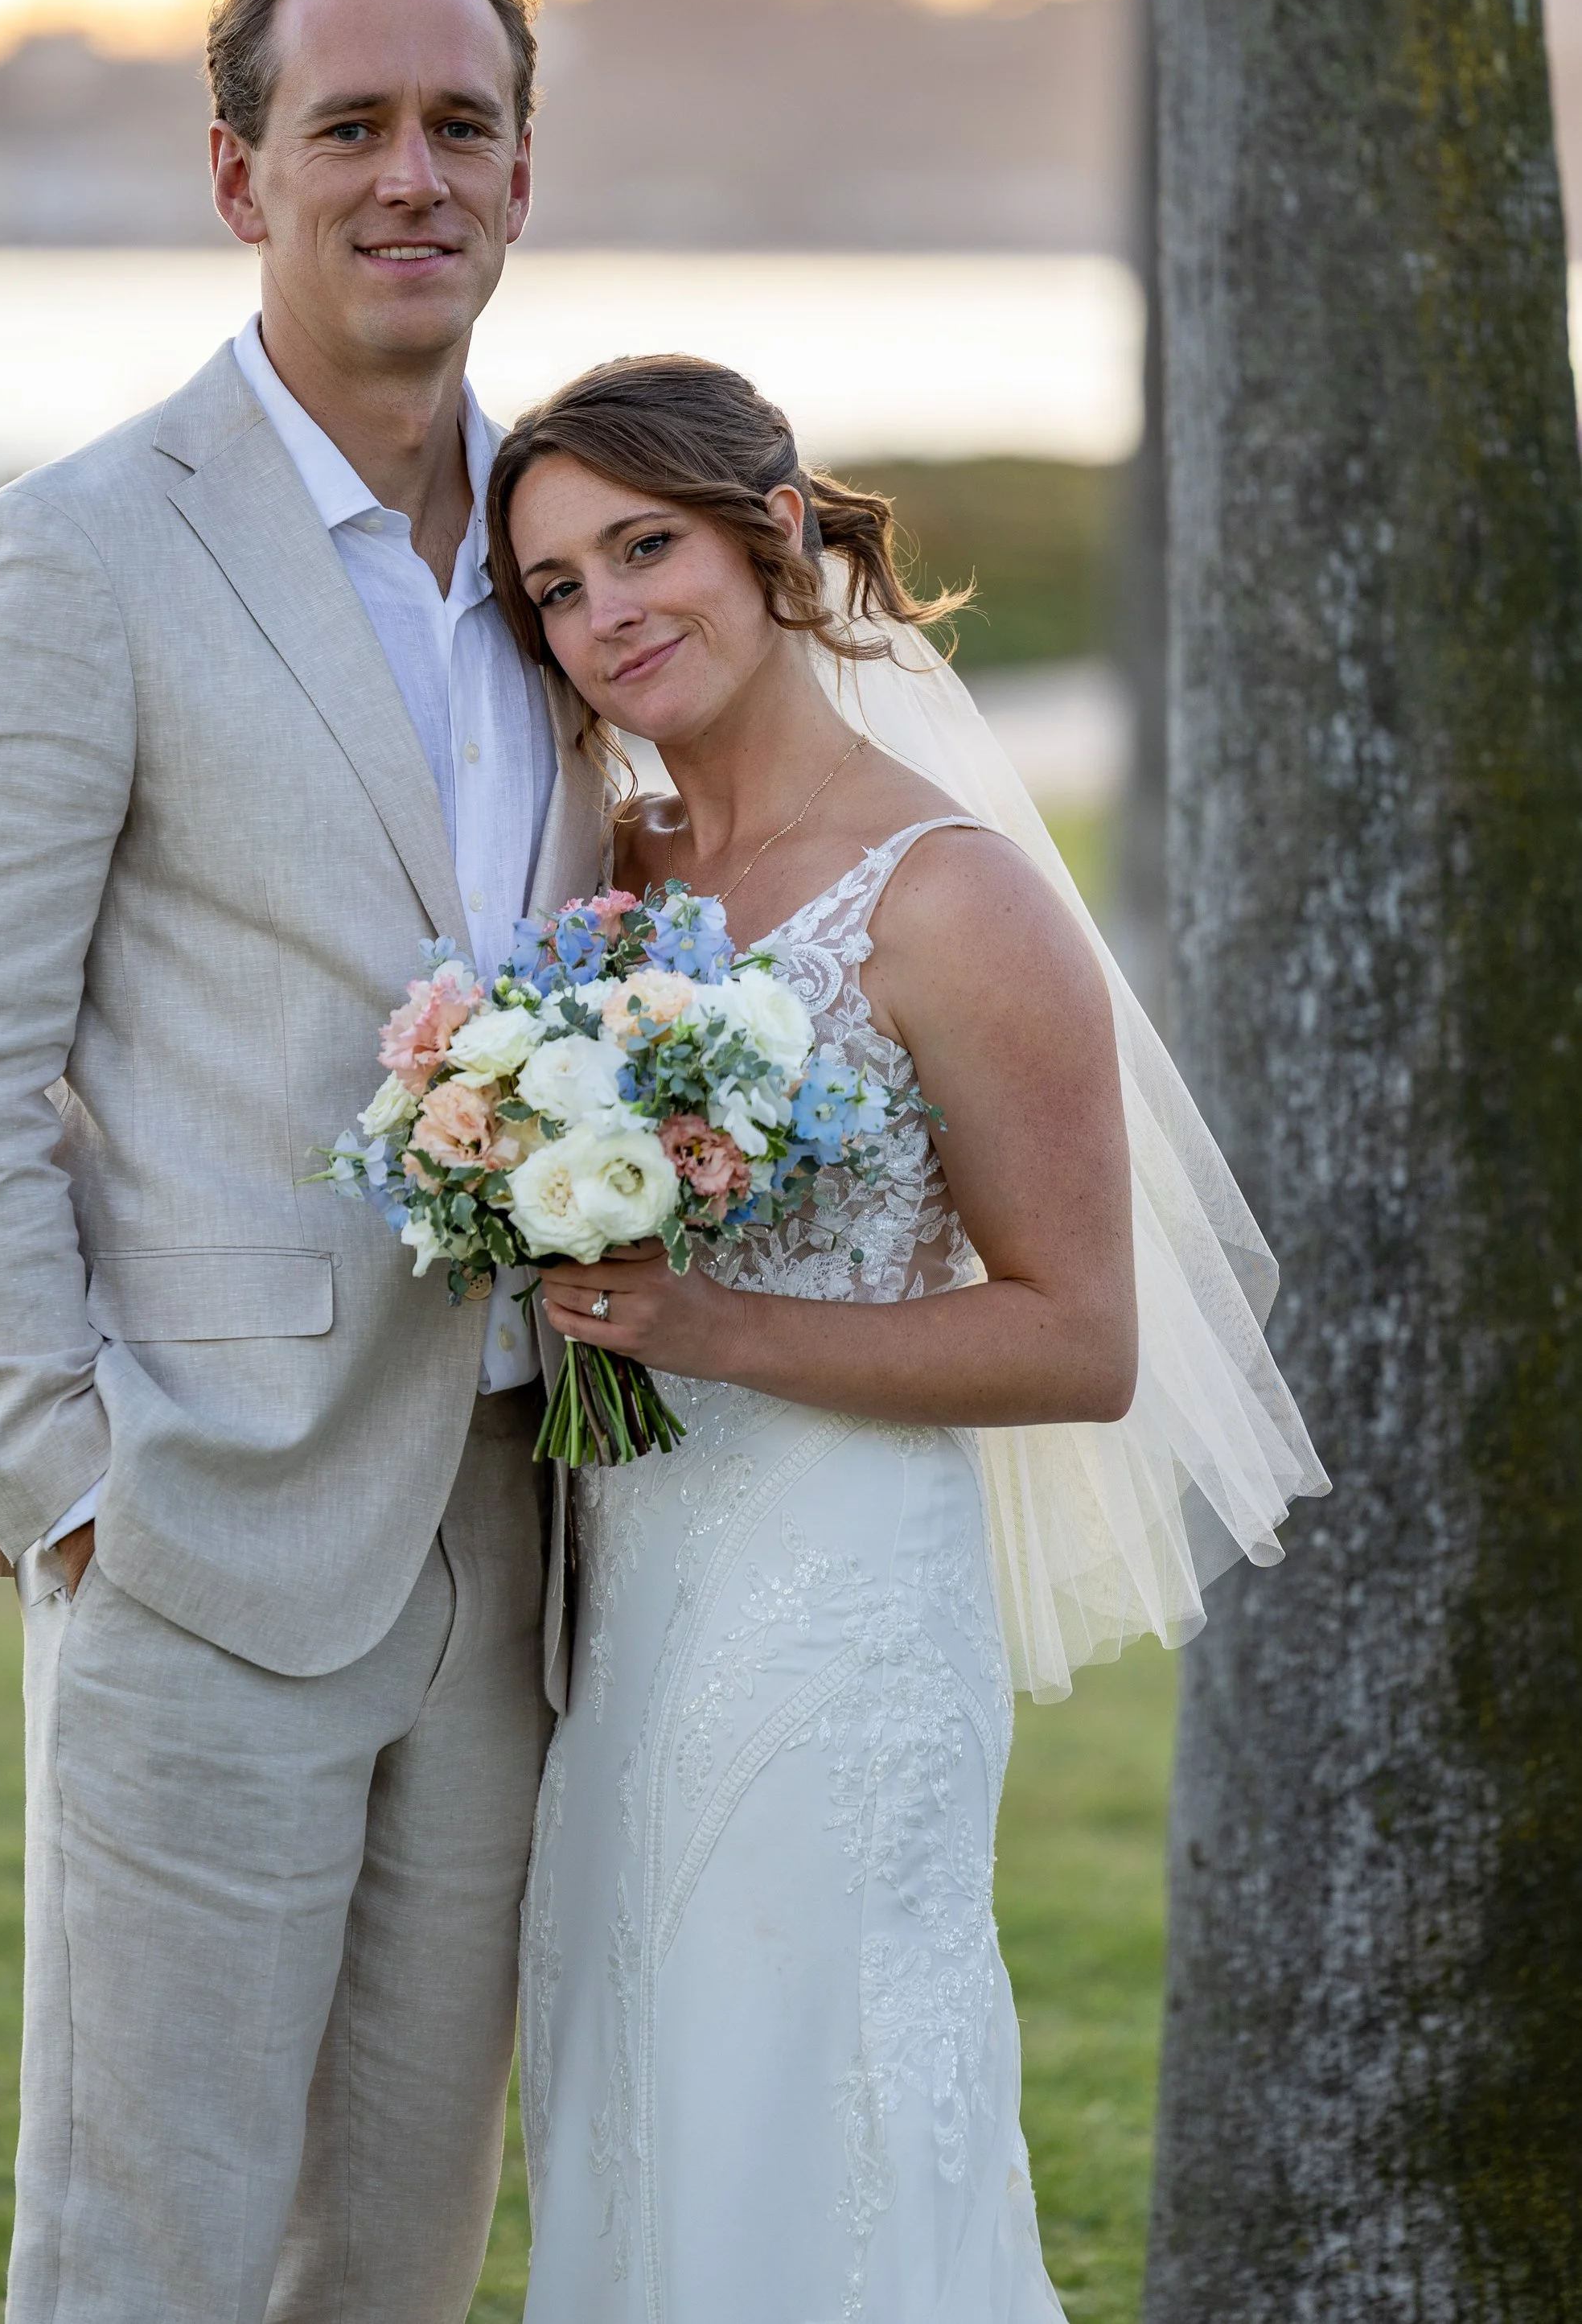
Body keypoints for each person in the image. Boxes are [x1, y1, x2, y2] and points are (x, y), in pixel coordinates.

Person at [0, 0, 608, 2324]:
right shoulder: (70, 555)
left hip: (515, 1542)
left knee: (393, 2245)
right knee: (147, 2244)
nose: (412, 175)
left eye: (460, 125)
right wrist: (58, 1473)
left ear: (519, 172)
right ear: (233, 170)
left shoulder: (570, 559)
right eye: (350, 124)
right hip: (194, 1516)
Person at [483, 354, 1325, 2324]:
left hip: (839, 1611)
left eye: (642, 546)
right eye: (552, 587)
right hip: (628, 1607)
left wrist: (702, 1318)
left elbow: (1076, 1340)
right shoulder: (624, 878)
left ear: (774, 530)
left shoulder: (950, 903)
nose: (605, 612)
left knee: (826, 2105)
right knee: (644, 2100)